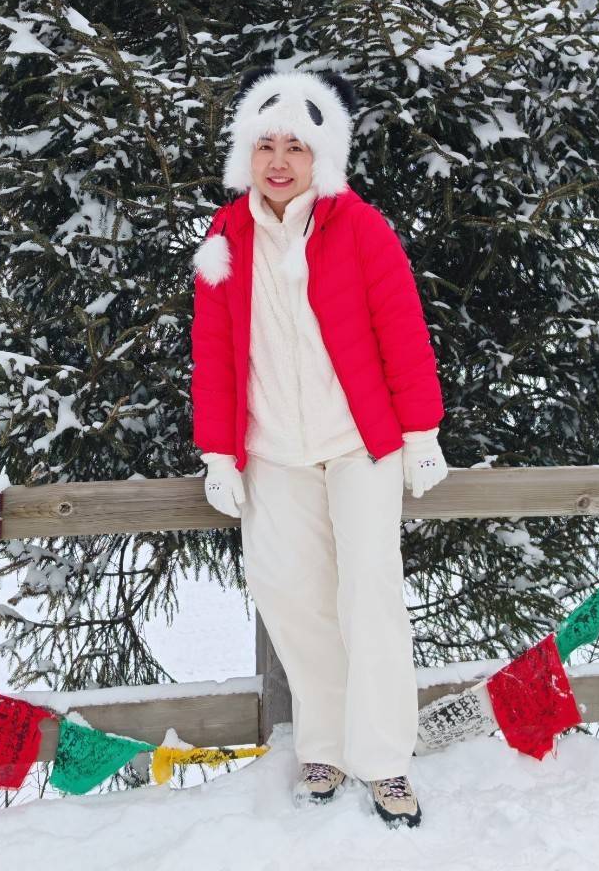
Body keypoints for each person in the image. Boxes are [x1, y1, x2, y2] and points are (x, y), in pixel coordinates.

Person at [190, 65, 448, 829]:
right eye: (266, 145)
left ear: (321, 155)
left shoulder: (359, 227)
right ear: (246, 151)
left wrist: (421, 434)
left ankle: (386, 760)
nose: (279, 162)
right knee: (289, 596)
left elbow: (403, 332)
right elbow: (214, 353)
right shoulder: (225, 237)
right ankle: (325, 747)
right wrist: (218, 453)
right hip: (273, 450)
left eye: (295, 147)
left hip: (357, 446)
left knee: (370, 595)